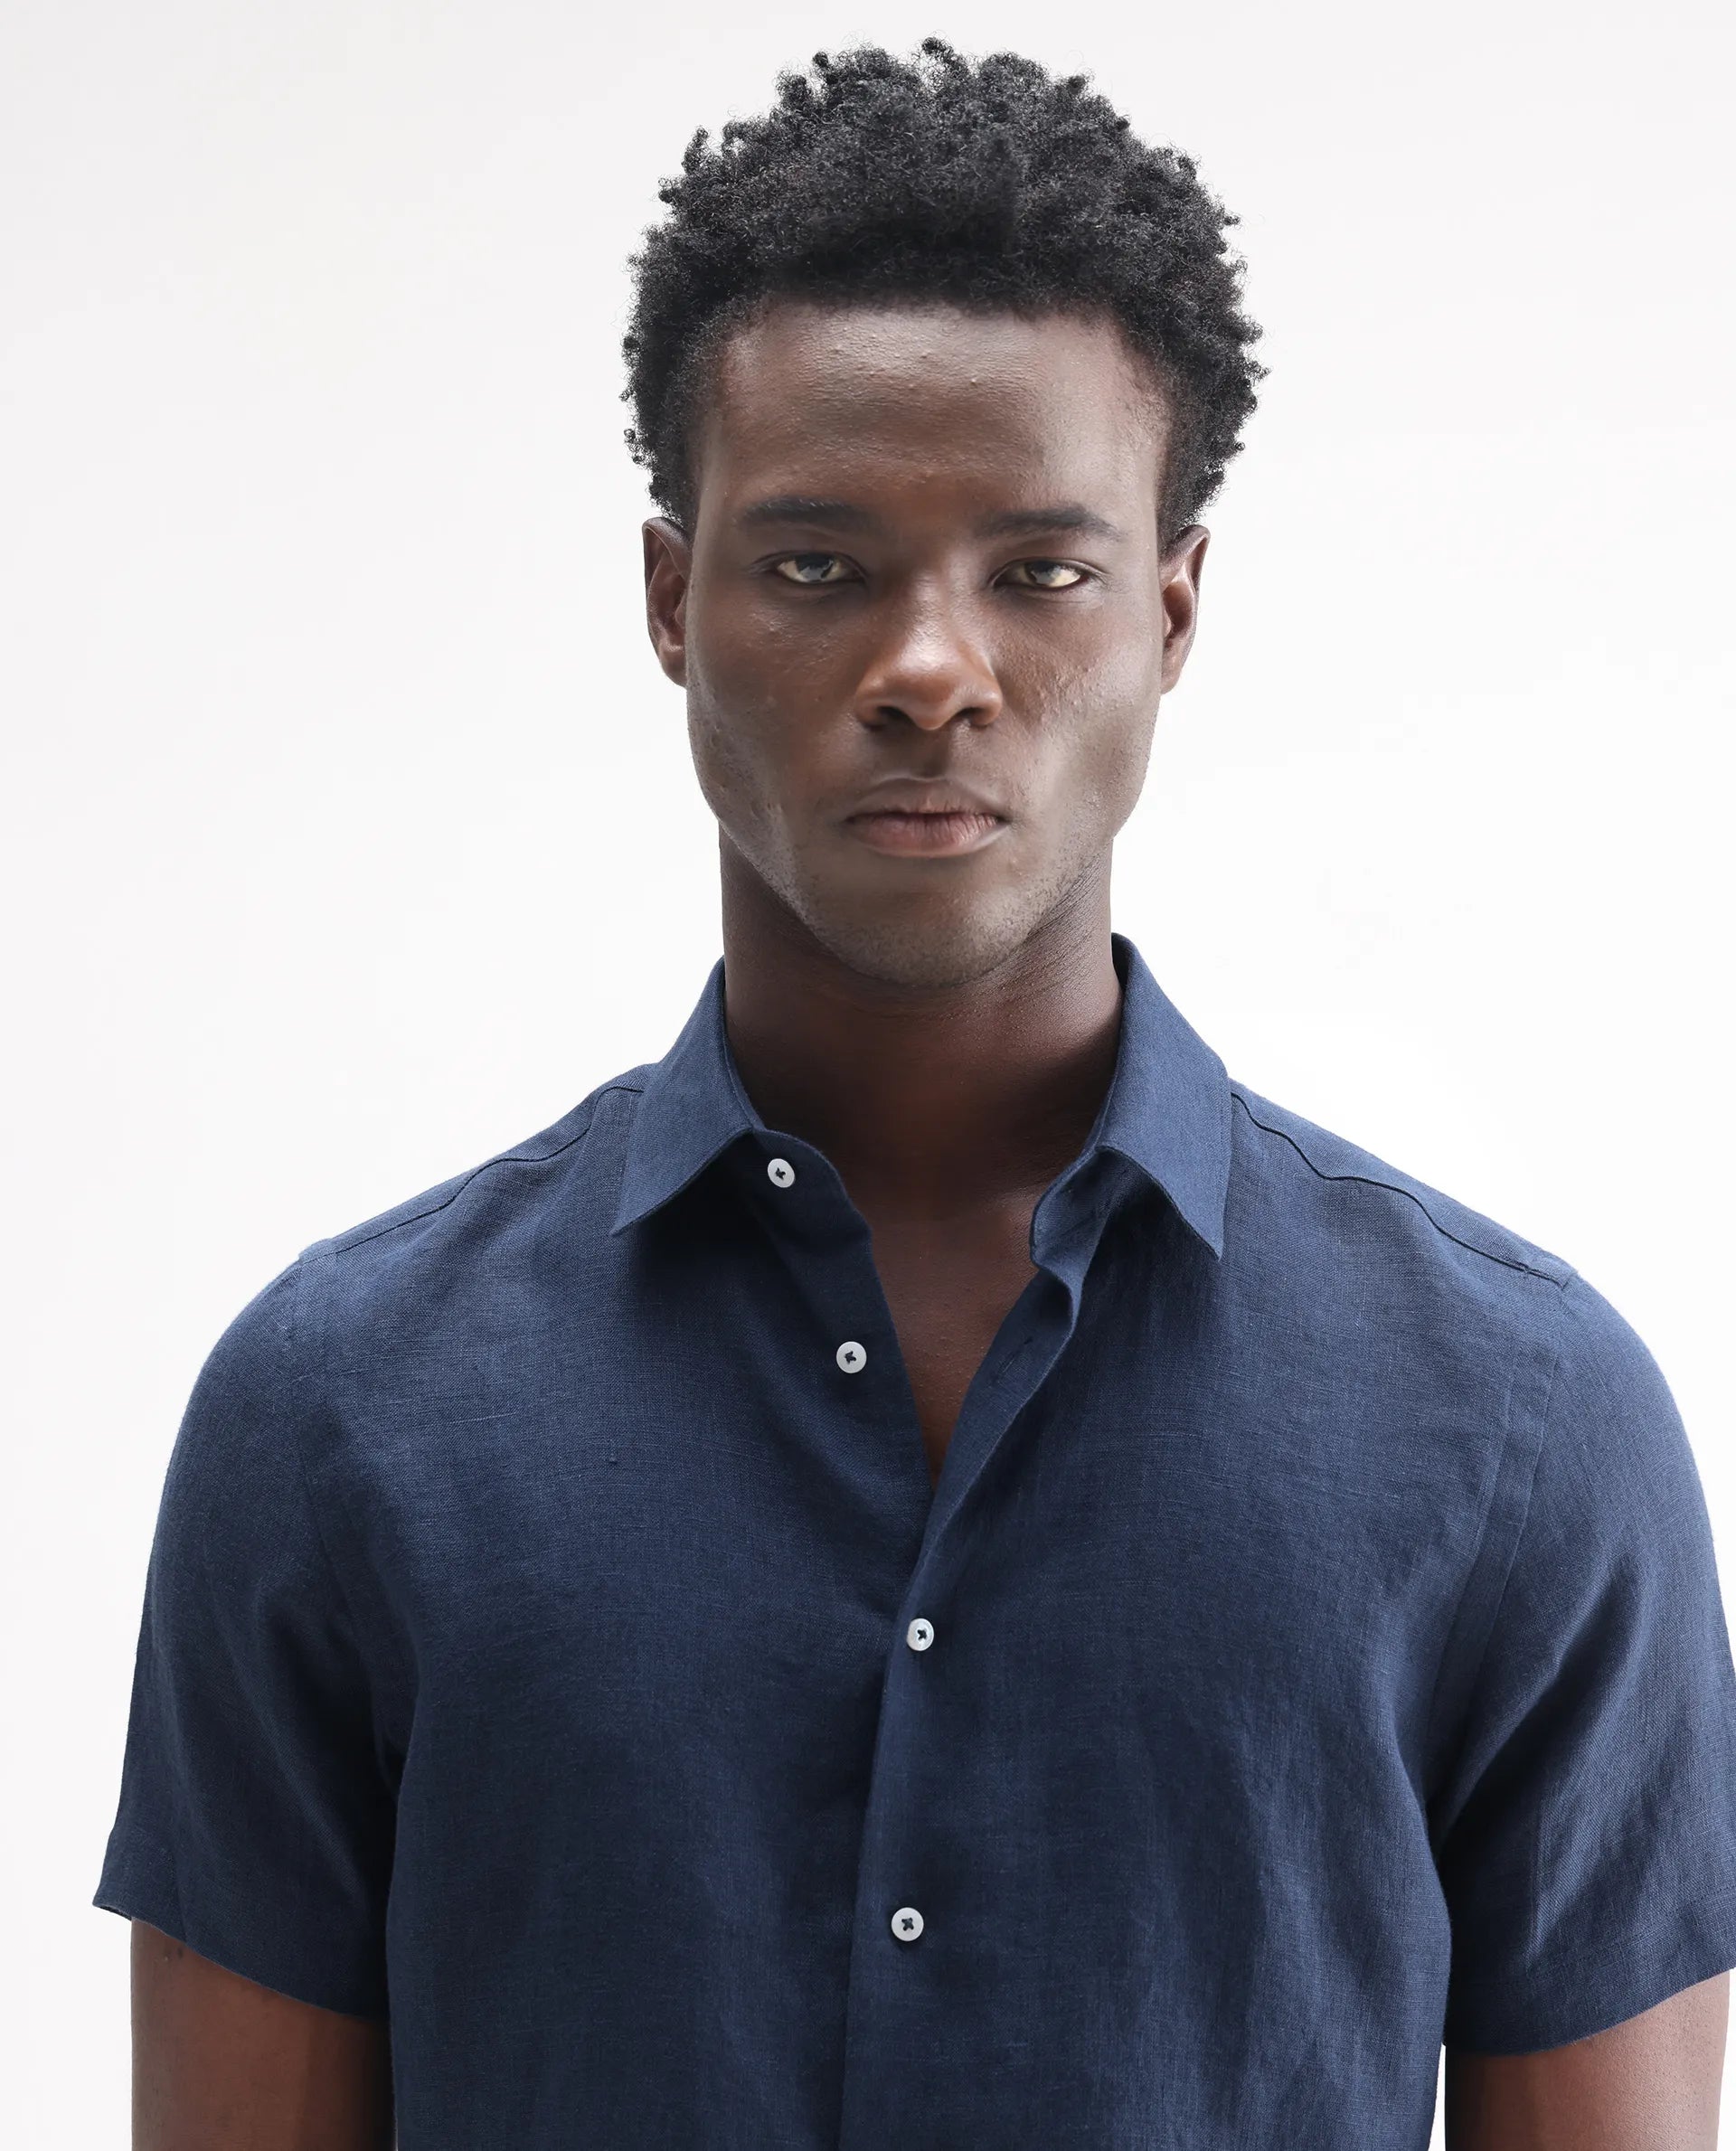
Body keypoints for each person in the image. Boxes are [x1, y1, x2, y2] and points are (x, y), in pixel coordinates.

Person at [96, 40, 1736, 2151]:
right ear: (670, 600)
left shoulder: (1524, 1427)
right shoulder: (336, 1413)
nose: (931, 669)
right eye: (816, 565)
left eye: (1039, 570)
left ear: (1172, 610)